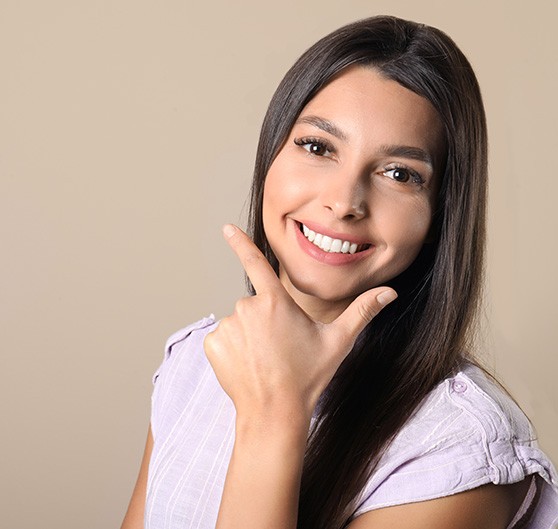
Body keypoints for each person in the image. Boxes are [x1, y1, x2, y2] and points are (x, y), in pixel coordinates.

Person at [121, 15, 558, 529]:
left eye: (400, 174)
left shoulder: (457, 450)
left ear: (441, 213)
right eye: (318, 146)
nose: (344, 201)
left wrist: (276, 413)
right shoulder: (194, 360)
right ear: (271, 154)